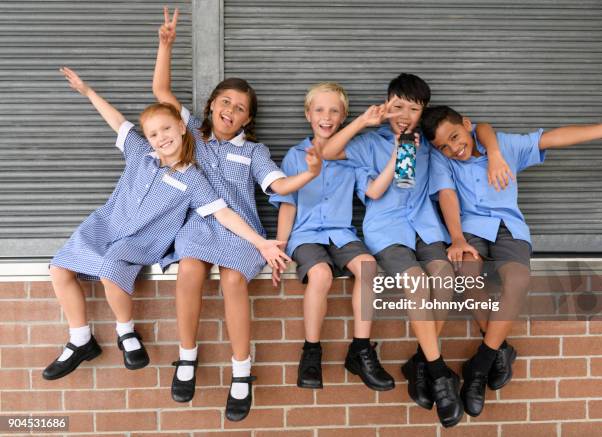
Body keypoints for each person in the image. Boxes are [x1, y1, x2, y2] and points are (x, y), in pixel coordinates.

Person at [44, 67, 288, 382]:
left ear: (184, 129)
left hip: (140, 240)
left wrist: (260, 241)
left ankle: (126, 333)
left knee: (111, 271)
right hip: (105, 224)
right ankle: (80, 338)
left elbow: (223, 213)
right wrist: (89, 92)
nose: (161, 138)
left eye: (167, 130)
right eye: (154, 134)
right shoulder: (140, 152)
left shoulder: (193, 177)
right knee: (58, 269)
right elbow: (118, 122)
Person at [153, 8, 322, 420]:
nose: (231, 109)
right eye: (225, 101)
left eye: (241, 108)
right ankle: (187, 358)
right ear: (212, 104)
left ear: (248, 119)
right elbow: (162, 93)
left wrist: (309, 173)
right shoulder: (191, 131)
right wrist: (166, 45)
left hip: (243, 229)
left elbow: (279, 187)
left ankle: (242, 372)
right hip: (200, 223)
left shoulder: (254, 152)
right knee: (190, 268)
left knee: (232, 280)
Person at [319, 73, 510, 427]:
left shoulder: (428, 146)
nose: (406, 114)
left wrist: (456, 237)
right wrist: (367, 121)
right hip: (387, 231)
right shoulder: (368, 142)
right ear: (387, 103)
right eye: (399, 106)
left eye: (414, 109)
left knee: (444, 280)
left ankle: (421, 361)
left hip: (425, 227)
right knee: (417, 284)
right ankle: (438, 374)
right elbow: (327, 151)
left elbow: (457, 167)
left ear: (423, 113)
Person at [423, 104, 602, 417]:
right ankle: (498, 352)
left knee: (518, 280)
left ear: (466, 125)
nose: (453, 148)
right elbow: (447, 196)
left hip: (509, 229)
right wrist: (456, 238)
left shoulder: (504, 146)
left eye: (455, 137)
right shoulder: (444, 161)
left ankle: (481, 364)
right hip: (471, 231)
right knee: (466, 271)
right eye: (443, 145)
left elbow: (551, 138)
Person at [270, 82, 396, 392]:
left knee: (368, 267)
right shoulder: (297, 155)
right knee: (321, 274)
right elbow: (288, 204)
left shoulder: (353, 157)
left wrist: (402, 153)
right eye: (320, 110)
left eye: (334, 111)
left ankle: (361, 349)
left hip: (341, 233)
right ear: (308, 115)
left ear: (343, 117)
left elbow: (374, 190)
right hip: (306, 235)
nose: (327, 117)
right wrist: (281, 244)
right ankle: (311, 352)